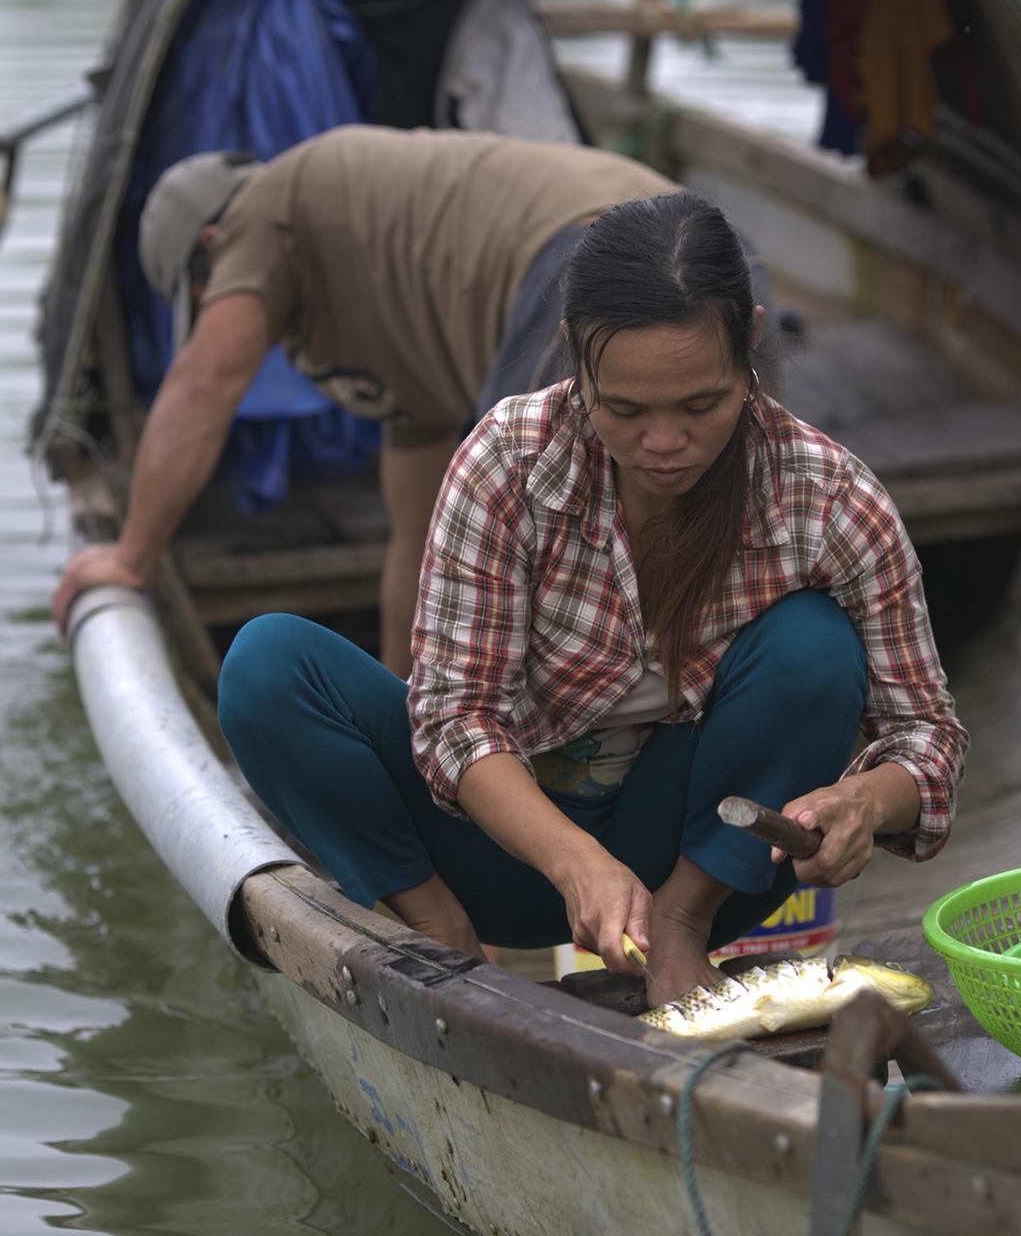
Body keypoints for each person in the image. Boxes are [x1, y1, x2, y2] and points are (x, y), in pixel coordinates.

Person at [215, 192, 967, 1004]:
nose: (665, 443)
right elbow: (454, 719)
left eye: (701, 404)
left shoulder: (828, 499)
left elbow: (925, 737)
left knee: (813, 643)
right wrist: (577, 861)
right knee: (267, 664)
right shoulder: (508, 462)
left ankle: (679, 932)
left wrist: (864, 800)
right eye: (625, 409)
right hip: (498, 851)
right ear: (575, 354)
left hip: (702, 854)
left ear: (750, 341)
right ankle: (436, 931)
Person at [50, 125, 679, 674]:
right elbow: (420, 538)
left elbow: (202, 384)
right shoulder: (394, 309)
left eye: (208, 293)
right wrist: (393, 695)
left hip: (600, 255)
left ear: (215, 246)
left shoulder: (262, 211)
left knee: (552, 558)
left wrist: (131, 559)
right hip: (698, 242)